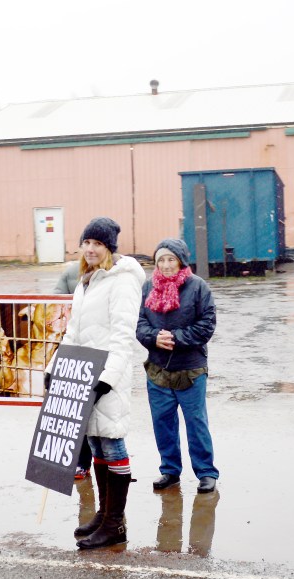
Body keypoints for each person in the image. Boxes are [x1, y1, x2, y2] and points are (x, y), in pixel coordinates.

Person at [46, 217, 146, 550]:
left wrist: (106, 380)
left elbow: (123, 337)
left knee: (112, 443)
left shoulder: (123, 281)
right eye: (87, 242)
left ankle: (115, 524)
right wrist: (54, 367)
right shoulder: (85, 280)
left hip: (107, 376)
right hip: (82, 373)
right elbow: (73, 332)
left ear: (109, 248)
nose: (90, 249)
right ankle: (104, 515)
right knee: (96, 443)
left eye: (98, 244)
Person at [136, 239, 219, 494]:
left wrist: (176, 338)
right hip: (158, 369)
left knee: (196, 422)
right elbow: (139, 323)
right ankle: (170, 470)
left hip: (191, 369)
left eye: (171, 259)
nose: (166, 265)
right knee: (163, 423)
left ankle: (206, 472)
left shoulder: (198, 287)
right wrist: (153, 337)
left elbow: (207, 324)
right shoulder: (148, 287)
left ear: (181, 261)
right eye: (161, 260)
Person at [52, 260, 92, 480]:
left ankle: (102, 461)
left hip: (100, 349)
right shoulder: (71, 273)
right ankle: (82, 461)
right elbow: (55, 304)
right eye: (87, 244)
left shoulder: (114, 273)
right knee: (78, 409)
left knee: (100, 413)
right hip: (76, 348)